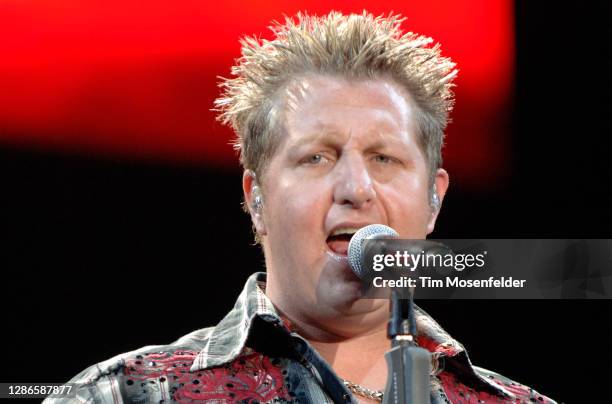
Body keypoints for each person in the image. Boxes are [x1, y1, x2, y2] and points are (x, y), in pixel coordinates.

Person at [45, 11, 556, 403]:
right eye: (316, 157)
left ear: (433, 202)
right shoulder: (127, 394)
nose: (356, 188)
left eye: (385, 158)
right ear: (256, 200)